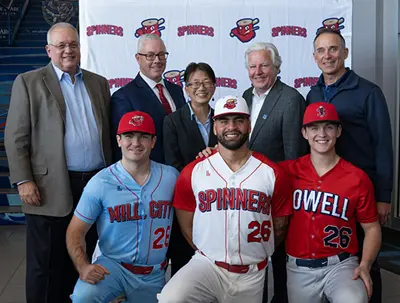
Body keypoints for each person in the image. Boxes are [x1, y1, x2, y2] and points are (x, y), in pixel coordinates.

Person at [4, 22, 112, 303]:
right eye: (61, 45)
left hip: (94, 186)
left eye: (73, 44)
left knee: (82, 257)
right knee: (45, 264)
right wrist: (24, 180)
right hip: (48, 188)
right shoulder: (28, 82)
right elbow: (16, 137)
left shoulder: (98, 83)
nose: (68, 50)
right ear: (48, 50)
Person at [158, 95, 292, 303]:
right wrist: (210, 247)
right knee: (171, 298)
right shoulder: (194, 171)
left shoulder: (272, 172)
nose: (232, 127)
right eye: (224, 121)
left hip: (252, 272)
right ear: (214, 127)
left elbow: (280, 225)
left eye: (238, 120)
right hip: (207, 265)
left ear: (248, 125)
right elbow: (186, 221)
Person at [307, 28, 393, 303]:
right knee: (336, 259)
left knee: (367, 261)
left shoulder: (368, 92)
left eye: (333, 49)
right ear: (314, 56)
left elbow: (383, 145)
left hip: (361, 192)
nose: (327, 55)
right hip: (327, 194)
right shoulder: (313, 93)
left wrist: (383, 196)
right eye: (321, 50)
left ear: (345, 53)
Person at [67, 111, 179, 303]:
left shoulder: (171, 177)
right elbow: (75, 231)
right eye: (129, 136)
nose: (136, 143)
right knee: (82, 297)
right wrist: (83, 267)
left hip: (154, 273)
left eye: (143, 136)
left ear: (153, 142)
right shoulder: (101, 182)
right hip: (113, 268)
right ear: (118, 140)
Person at [282, 102, 381, 303]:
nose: (322, 134)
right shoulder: (286, 171)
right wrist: (215, 153)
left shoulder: (357, 178)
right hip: (298, 268)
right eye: (314, 127)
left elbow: (371, 228)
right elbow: (248, 165)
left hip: (341, 266)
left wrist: (365, 265)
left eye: (328, 127)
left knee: (354, 300)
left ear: (338, 131)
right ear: (304, 133)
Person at [242, 42, 308, 303]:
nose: (258, 71)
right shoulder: (245, 96)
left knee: (278, 256)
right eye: (252, 66)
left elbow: (294, 157)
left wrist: (286, 201)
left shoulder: (291, 99)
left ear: (276, 67)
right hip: (249, 192)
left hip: (277, 194)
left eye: (264, 65)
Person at [163, 62, 218, 276]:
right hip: (188, 205)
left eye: (206, 82)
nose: (201, 88)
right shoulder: (172, 122)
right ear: (186, 89)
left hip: (219, 204)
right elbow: (173, 166)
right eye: (194, 83)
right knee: (186, 271)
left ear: (214, 86)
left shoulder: (225, 120)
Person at [110, 34, 186, 164]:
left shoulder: (176, 90)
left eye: (161, 54)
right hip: (148, 173)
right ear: (138, 58)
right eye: (150, 55)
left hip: (180, 169)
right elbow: (124, 146)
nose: (157, 60)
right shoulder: (123, 97)